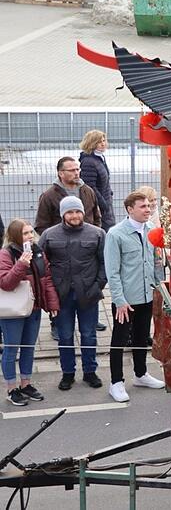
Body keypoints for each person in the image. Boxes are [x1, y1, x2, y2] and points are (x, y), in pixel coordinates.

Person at [104, 191, 166, 403]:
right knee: (119, 340)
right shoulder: (115, 234)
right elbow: (112, 271)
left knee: (141, 337)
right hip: (126, 300)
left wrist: (160, 289)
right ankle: (116, 382)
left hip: (147, 295)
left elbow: (156, 262)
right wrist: (119, 300)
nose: (148, 210)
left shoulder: (152, 231)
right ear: (130, 209)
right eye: (142, 206)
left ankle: (141, 374)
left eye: (149, 206)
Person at [38, 197, 105, 391]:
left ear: (83, 212)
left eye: (77, 211)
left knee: (89, 335)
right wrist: (49, 293)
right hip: (61, 296)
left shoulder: (98, 234)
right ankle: (68, 373)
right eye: (69, 212)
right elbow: (41, 265)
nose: (74, 216)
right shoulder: (49, 235)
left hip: (88, 294)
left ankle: (90, 372)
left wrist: (97, 286)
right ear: (62, 214)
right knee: (65, 336)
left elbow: (105, 263)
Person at [0, 219, 59, 406]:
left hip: (33, 308)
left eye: (31, 233)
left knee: (28, 348)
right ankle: (11, 388)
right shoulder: (6, 254)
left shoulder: (38, 252)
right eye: (25, 234)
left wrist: (52, 304)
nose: (30, 237)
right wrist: (21, 265)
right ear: (16, 236)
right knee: (11, 349)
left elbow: (46, 279)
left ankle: (26, 384)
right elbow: (6, 283)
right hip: (13, 312)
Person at [34, 156, 101, 235]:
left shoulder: (88, 191)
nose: (76, 173)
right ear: (61, 173)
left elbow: (97, 218)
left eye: (77, 169)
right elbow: (41, 225)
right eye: (72, 170)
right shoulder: (49, 196)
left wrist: (94, 236)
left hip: (87, 243)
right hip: (61, 244)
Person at [79, 130, 115, 232]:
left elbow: (104, 181)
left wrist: (109, 195)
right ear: (91, 143)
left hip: (106, 204)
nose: (103, 144)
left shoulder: (99, 158)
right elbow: (90, 187)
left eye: (104, 140)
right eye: (99, 142)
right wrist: (103, 204)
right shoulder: (88, 162)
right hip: (99, 207)